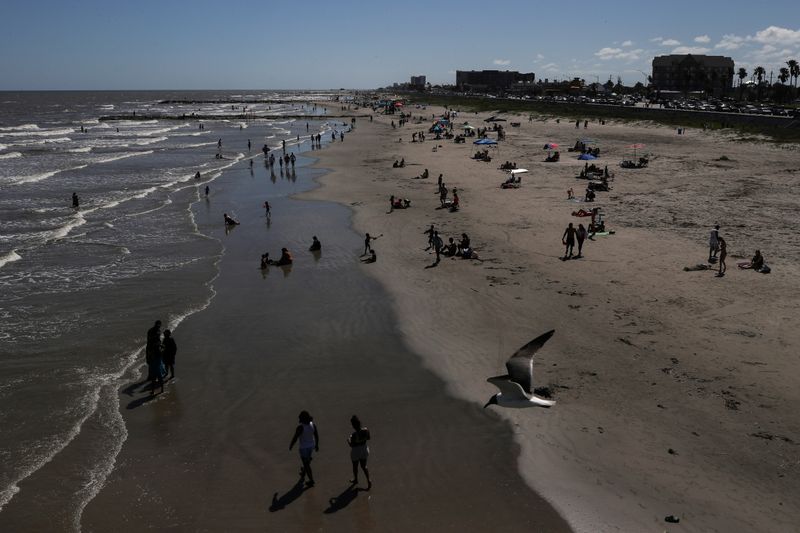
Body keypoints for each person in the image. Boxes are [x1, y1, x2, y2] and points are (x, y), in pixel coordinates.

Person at [289, 411, 319, 488]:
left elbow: (295, 438)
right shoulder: (313, 424)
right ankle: (303, 472)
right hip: (311, 446)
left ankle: (311, 480)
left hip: (304, 449)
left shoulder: (300, 428)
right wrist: (317, 445)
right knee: (307, 462)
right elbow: (316, 435)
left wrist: (291, 445)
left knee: (306, 464)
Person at [347, 415, 371, 489]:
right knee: (364, 466)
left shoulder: (354, 435)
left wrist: (348, 440)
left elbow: (352, 445)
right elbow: (369, 438)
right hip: (364, 449)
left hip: (356, 451)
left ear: (353, 425)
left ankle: (356, 479)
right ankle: (368, 480)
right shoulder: (366, 430)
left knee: (355, 466)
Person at [145, 320, 163, 394]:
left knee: (152, 362)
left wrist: (159, 345)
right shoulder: (151, 331)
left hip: (155, 348)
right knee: (150, 361)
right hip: (150, 348)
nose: (158, 327)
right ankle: (150, 376)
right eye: (158, 325)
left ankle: (152, 376)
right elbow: (150, 339)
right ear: (155, 324)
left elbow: (158, 339)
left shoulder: (158, 330)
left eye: (159, 325)